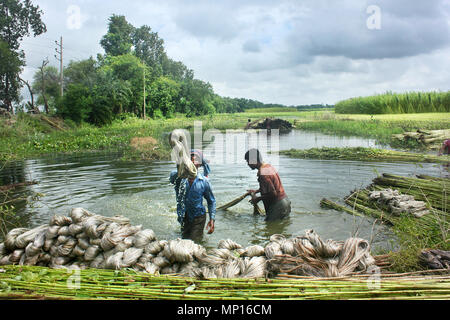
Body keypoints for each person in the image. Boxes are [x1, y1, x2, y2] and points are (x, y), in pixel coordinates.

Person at [169, 150, 216, 241]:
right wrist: (181, 166)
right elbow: (172, 177)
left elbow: (211, 201)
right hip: (184, 217)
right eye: (191, 158)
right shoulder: (179, 178)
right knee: (184, 241)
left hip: (198, 218)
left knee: (195, 242)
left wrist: (212, 219)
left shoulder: (204, 181)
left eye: (197, 158)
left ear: (200, 164)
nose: (193, 160)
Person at [245, 148, 291, 221]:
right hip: (285, 202)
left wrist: (257, 199)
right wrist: (256, 191)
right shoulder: (268, 166)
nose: (247, 164)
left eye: (248, 161)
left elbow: (273, 194)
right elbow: (271, 187)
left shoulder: (263, 173)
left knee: (270, 228)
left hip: (278, 205)